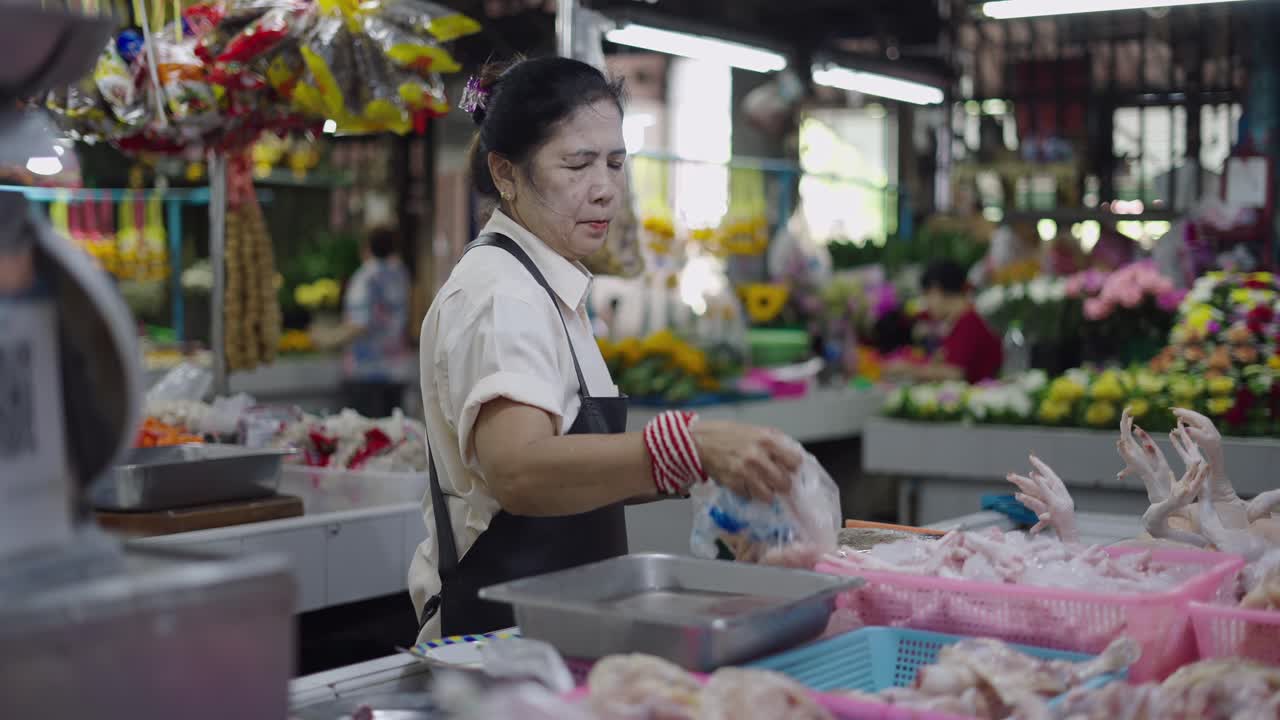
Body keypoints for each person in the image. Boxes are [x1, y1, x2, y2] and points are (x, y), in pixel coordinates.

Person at [409, 57, 802, 642]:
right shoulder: (502, 293)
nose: (605, 189)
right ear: (506, 174)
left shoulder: (549, 285)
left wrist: (706, 467)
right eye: (577, 164)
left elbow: (577, 465)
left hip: (551, 628)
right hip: (499, 644)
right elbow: (519, 471)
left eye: (615, 163)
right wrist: (686, 446)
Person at [320, 226, 413, 419]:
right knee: (393, 439)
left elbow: (359, 324)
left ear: (367, 247)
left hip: (365, 374)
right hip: (397, 371)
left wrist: (326, 339)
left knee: (367, 440)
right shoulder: (400, 274)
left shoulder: (365, 277)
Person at [888, 260, 1002, 384]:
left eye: (927, 295)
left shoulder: (969, 322)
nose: (926, 304)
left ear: (936, 290)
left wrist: (908, 369)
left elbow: (956, 373)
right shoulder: (962, 320)